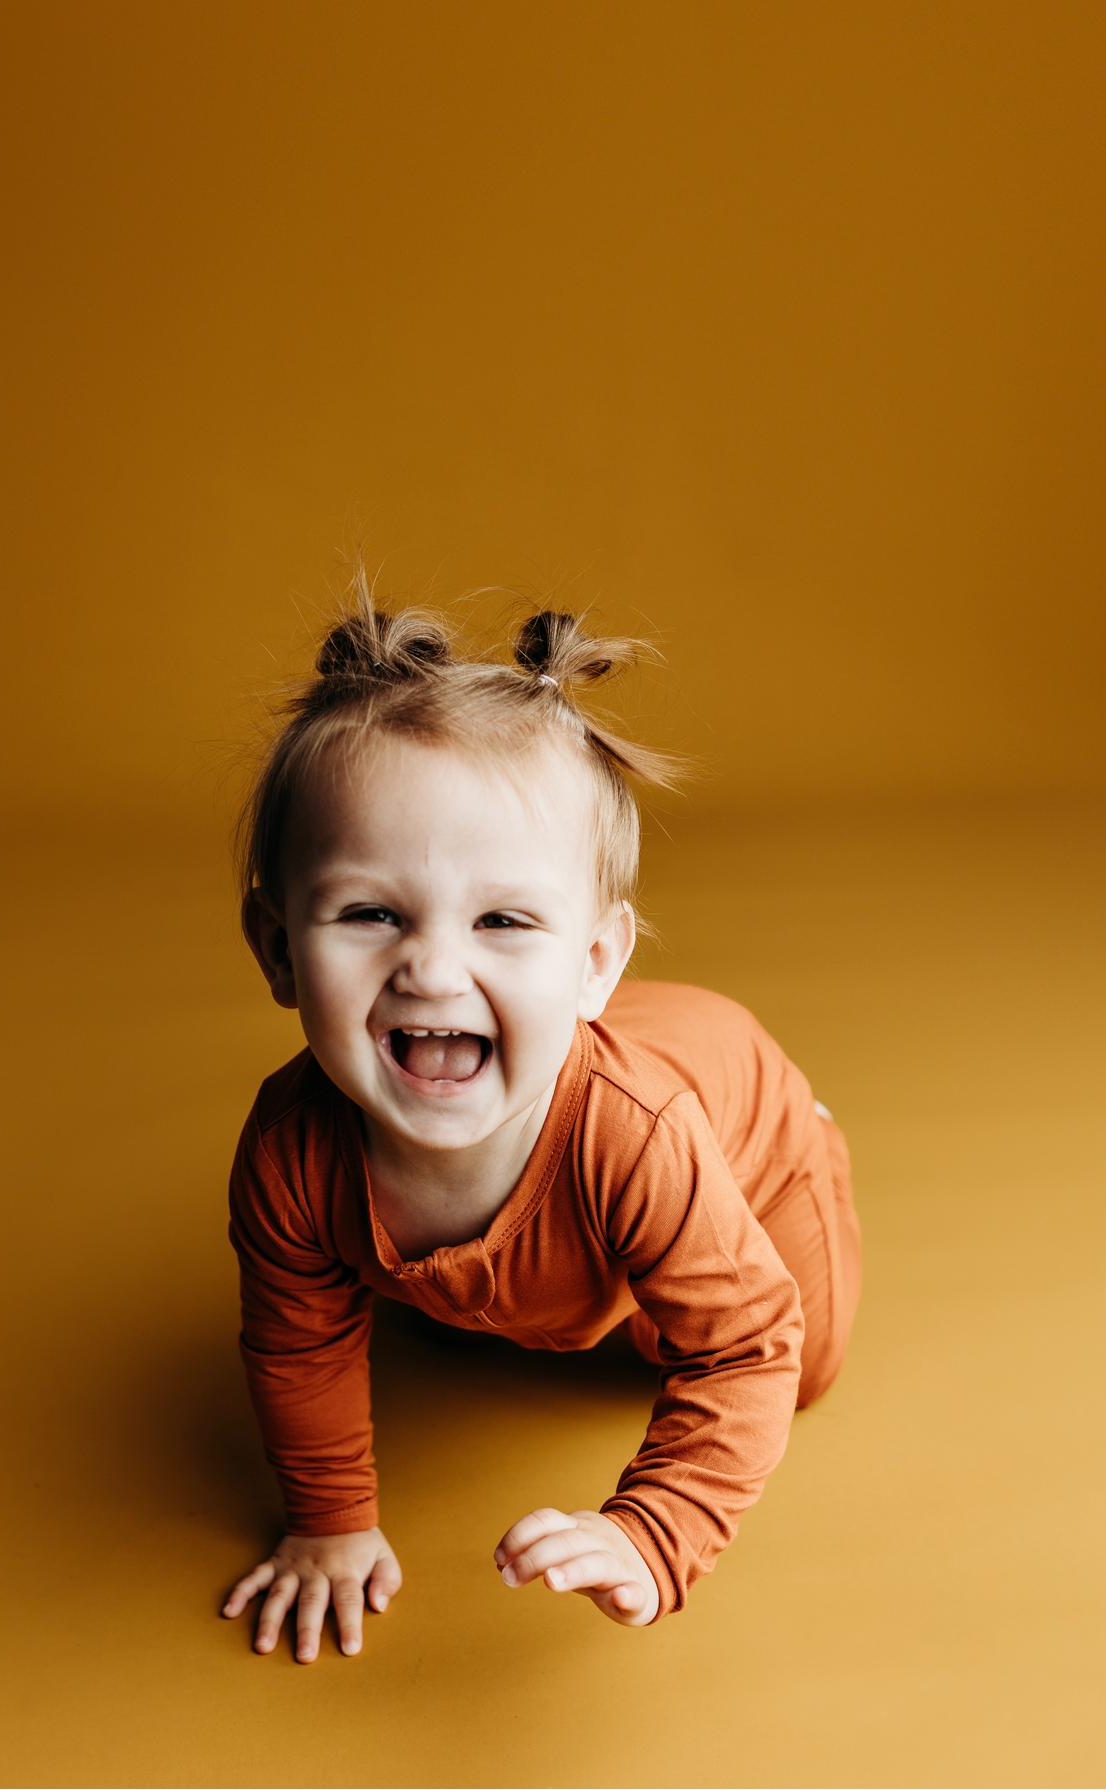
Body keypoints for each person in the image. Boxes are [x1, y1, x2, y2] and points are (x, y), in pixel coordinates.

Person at [221, 574, 861, 1663]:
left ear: (595, 960)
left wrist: (652, 1530)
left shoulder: (636, 1138)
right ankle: (510, 1260)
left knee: (795, 1358)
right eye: (370, 912)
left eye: (503, 919)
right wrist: (330, 1519)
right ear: (280, 949)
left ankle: (800, 1126)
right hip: (604, 1085)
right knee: (467, 1295)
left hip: (737, 1140)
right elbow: (298, 1342)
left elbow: (747, 1349)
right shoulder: (291, 1150)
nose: (430, 965)